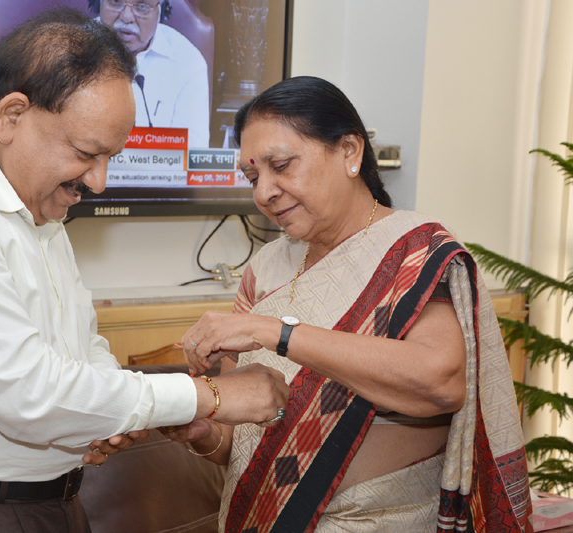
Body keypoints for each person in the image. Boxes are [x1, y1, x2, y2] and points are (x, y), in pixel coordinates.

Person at [0, 9, 290, 532]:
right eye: (85, 153)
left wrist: (99, 419)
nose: (98, 182)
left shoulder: (40, 212)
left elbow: (81, 348)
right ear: (12, 115)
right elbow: (26, 391)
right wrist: (210, 395)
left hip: (48, 506)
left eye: (110, 158)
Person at [165, 76, 532, 532]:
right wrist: (204, 433)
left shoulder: (413, 252)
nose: (263, 193)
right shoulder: (265, 270)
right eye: (253, 176)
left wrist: (275, 333)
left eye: (282, 165)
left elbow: (441, 381)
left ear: (350, 152)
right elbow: (239, 441)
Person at [90, 0, 210, 147]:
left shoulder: (188, 62)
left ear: (161, 11)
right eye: (115, 2)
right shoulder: (71, 50)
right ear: (97, 3)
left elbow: (192, 151)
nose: (127, 17)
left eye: (142, 7)